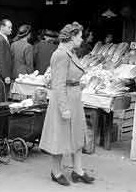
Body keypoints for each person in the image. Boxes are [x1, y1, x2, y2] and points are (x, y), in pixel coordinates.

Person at [39, 22, 95, 186]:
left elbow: (72, 75)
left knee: (77, 134)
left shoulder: (71, 53)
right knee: (60, 136)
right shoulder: (60, 55)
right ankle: (56, 172)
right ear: (71, 37)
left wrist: (78, 83)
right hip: (64, 100)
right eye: (80, 36)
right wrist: (64, 108)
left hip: (75, 97)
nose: (82, 39)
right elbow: (58, 84)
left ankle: (78, 171)